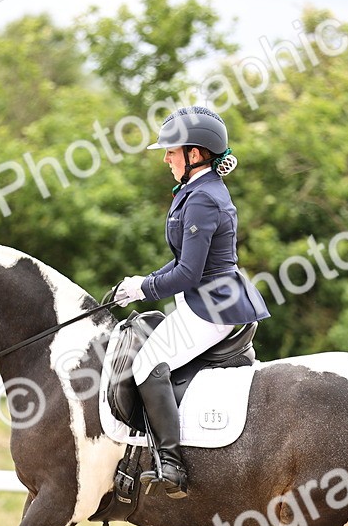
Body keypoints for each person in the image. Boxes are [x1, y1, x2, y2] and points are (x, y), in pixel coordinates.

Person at [113, 106, 271, 499]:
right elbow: (184, 260)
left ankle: (171, 464)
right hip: (202, 299)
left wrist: (144, 289)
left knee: (148, 362)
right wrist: (142, 282)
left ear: (196, 154)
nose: (165, 158)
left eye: (172, 151)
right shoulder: (194, 190)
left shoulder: (203, 198)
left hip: (211, 305)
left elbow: (188, 274)